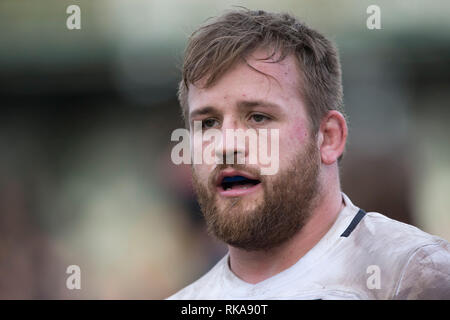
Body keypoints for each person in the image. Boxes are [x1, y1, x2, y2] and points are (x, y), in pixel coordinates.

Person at [167, 8, 450, 299]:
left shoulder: (415, 277)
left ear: (328, 137)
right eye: (208, 123)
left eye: (258, 117)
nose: (226, 146)